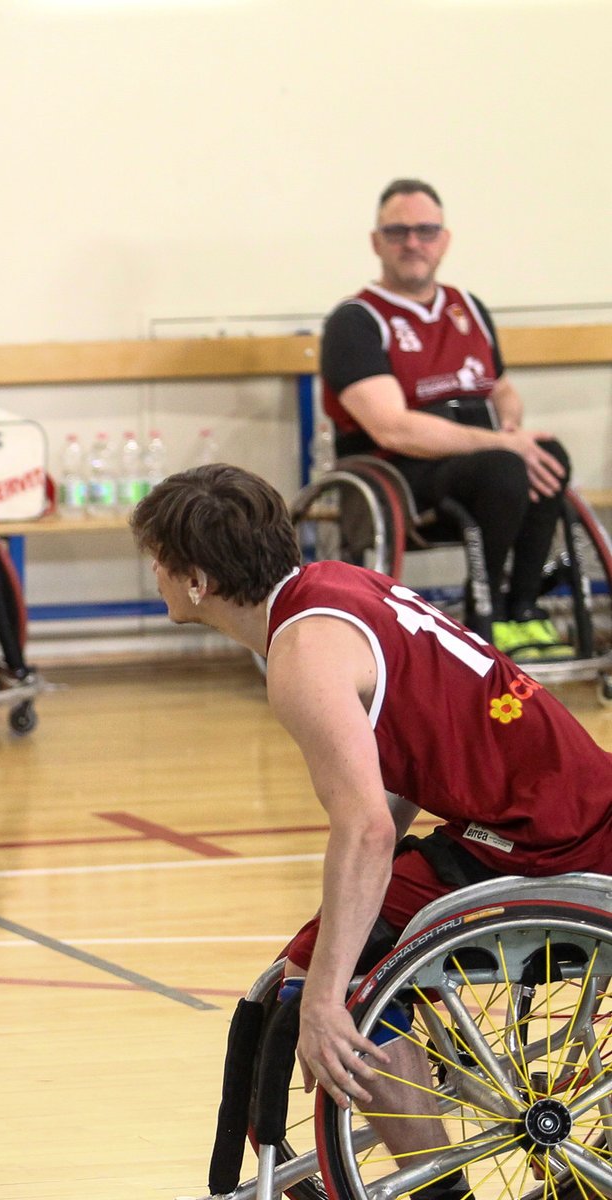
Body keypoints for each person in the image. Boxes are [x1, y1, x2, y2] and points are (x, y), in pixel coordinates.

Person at [133, 464, 612, 1197]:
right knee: (330, 942)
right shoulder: (338, 587)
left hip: (549, 841)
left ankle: (437, 1186)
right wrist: (350, 917)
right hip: (562, 808)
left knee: (330, 981)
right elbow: (411, 762)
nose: (155, 575)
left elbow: (364, 832)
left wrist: (328, 998)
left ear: (196, 580)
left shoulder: (303, 658)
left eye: (159, 561)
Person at [321, 178, 572, 661]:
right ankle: (484, 614)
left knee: (547, 455)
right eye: (397, 232)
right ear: (376, 242)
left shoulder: (468, 307)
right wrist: (500, 444)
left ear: (445, 239)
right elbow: (392, 427)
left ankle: (522, 609)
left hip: (480, 458)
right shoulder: (355, 321)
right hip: (400, 470)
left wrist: (512, 428)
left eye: (425, 231)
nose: (412, 242)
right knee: (503, 467)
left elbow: (502, 389)